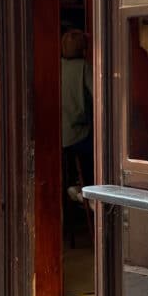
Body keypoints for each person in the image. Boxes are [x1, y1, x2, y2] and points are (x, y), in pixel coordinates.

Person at [61, 29, 93, 203]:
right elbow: (99, 95)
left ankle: (73, 183)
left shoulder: (57, 66)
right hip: (79, 134)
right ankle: (88, 191)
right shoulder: (84, 67)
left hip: (59, 135)